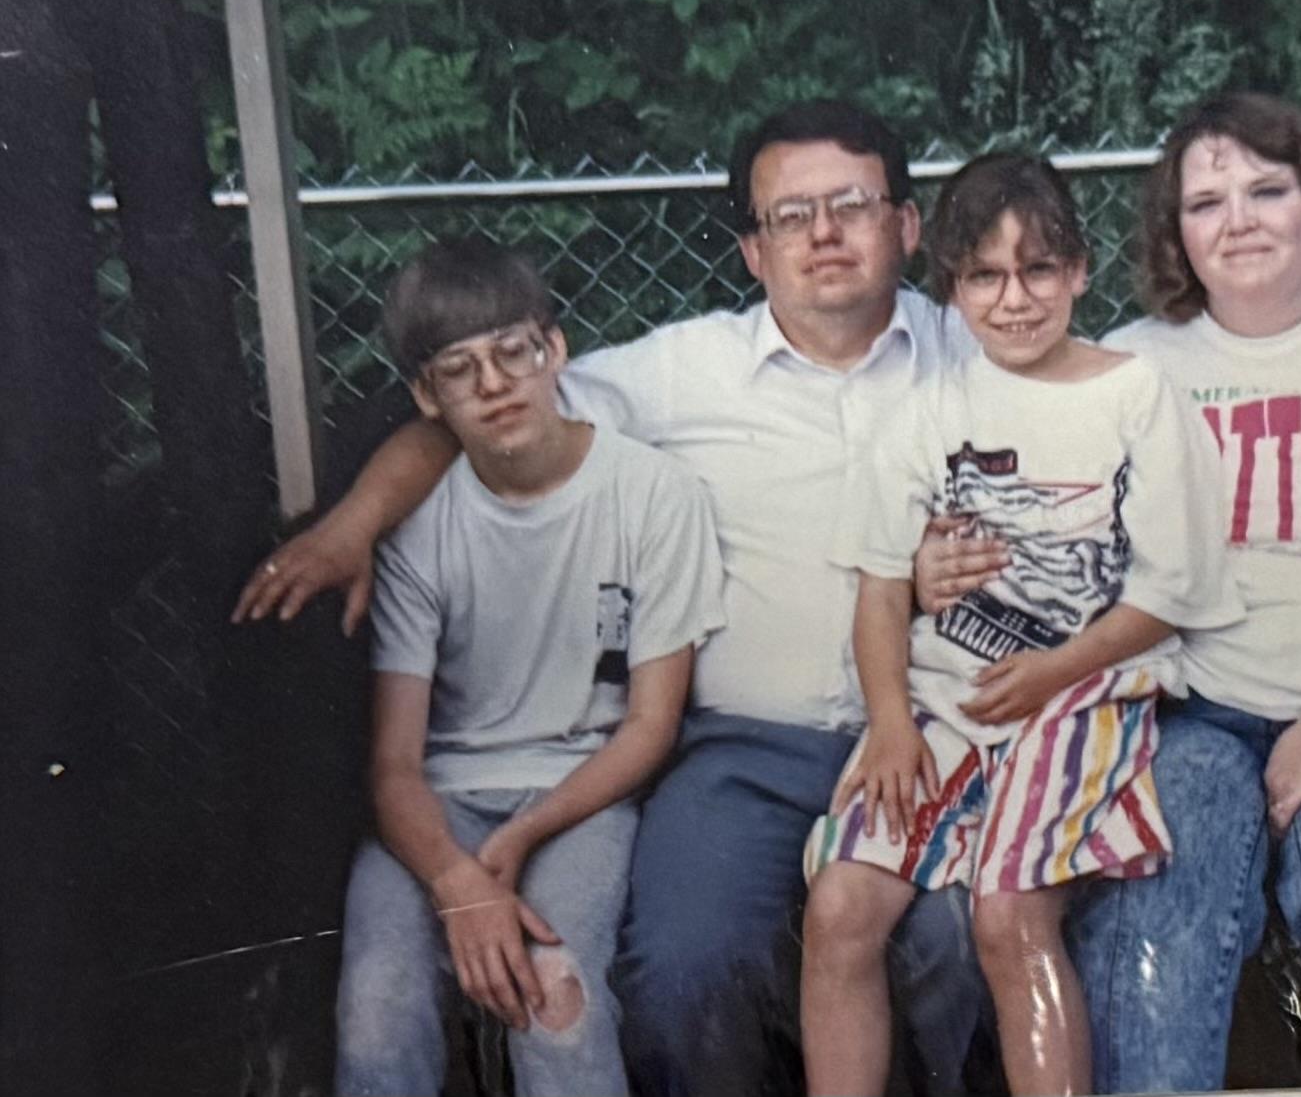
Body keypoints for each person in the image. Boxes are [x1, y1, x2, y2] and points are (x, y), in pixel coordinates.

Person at [236, 103, 985, 1097]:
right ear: (754, 252)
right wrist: (351, 526)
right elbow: (484, 415)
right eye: (789, 215)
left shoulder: (984, 357)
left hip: (935, 732)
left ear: (907, 224)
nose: (824, 234)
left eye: (850, 203)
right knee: (679, 970)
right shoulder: (680, 371)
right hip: (745, 746)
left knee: (957, 940)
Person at [924, 94, 1301, 1089]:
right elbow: (1028, 538)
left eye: (1266, 189)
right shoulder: (1127, 366)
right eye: (1207, 200)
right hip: (1186, 707)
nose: (1238, 217)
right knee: (1159, 904)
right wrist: (938, 565)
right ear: (1176, 230)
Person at [800, 153, 1236, 1097]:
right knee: (840, 906)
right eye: (985, 277)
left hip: (1082, 697)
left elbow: (1169, 592)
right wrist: (888, 720)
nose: (1014, 299)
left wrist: (1054, 672)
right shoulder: (931, 413)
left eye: (1039, 269)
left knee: (1007, 915)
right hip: (940, 704)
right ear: (952, 288)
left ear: (1080, 271)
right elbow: (880, 583)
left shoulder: (1135, 394)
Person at [331, 238, 724, 1097]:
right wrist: (456, 878)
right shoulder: (421, 521)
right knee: (377, 1008)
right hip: (441, 802)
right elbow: (395, 764)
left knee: (557, 999)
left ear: (557, 349)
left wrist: (516, 840)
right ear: (426, 396)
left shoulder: (655, 494)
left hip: (582, 792)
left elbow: (651, 724)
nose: (496, 383)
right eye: (460, 369)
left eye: (514, 351)